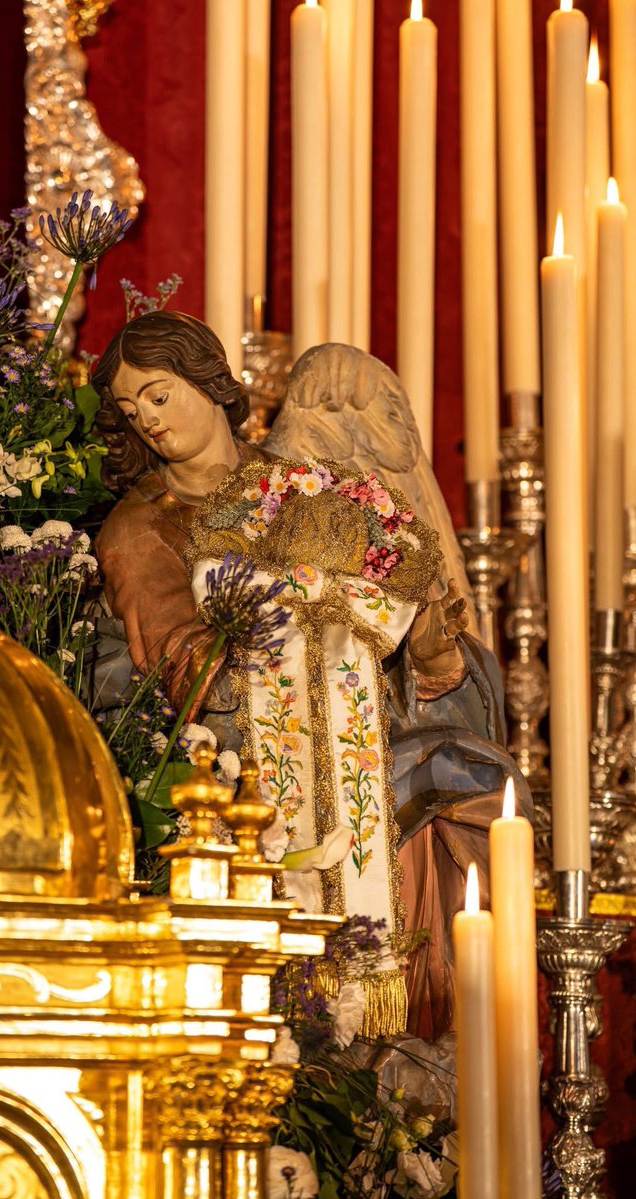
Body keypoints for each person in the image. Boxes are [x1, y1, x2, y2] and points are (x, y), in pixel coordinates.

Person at [93, 309, 529, 1038]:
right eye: (133, 412)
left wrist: (426, 640)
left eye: (161, 395)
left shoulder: (305, 482)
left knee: (475, 778)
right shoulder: (140, 530)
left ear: (209, 381)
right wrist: (302, 611)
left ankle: (412, 1049)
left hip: (360, 737)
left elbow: (399, 591)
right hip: (244, 772)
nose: (150, 424)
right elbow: (180, 671)